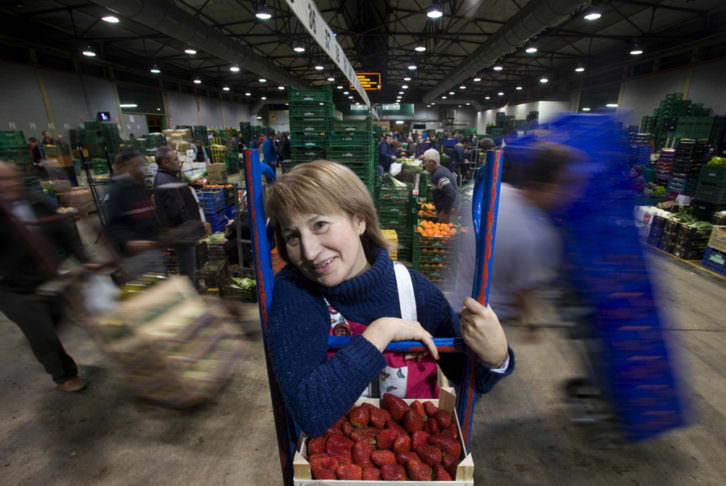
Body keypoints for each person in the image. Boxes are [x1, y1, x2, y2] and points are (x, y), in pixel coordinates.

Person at [264, 161, 513, 437]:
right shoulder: (297, 292)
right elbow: (310, 411)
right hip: (336, 469)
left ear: (359, 220)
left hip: (407, 460)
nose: (309, 252)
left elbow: (471, 378)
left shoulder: (414, 292)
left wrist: (496, 356)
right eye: (292, 236)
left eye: (320, 224)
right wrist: (381, 332)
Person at [449, 143, 580, 325]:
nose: (570, 195)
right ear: (542, 185)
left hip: (458, 308)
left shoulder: (491, 193)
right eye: (564, 186)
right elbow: (524, 296)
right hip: (492, 322)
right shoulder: (536, 234)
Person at [0, 161, 95, 392]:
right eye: (2, 180)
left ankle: (43, 341)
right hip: (12, 287)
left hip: (49, 276)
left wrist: (84, 260)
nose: (8, 184)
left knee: (56, 319)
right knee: (42, 332)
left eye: (11, 178)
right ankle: (64, 374)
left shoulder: (37, 201)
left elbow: (66, 233)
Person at [105, 149, 162, 280]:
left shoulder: (138, 187)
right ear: (123, 166)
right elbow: (114, 227)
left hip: (153, 252)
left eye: (140, 165)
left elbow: (148, 215)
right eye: (135, 165)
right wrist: (128, 243)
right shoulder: (116, 192)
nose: (139, 169)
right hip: (136, 259)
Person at [153, 146, 202, 284]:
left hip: (181, 232)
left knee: (187, 267)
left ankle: (193, 289)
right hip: (183, 233)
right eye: (175, 159)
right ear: (164, 162)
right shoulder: (167, 181)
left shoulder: (166, 177)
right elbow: (179, 210)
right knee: (187, 270)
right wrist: (193, 231)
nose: (178, 162)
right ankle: (191, 296)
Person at [422, 148, 458, 223]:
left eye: (425, 162)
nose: (424, 164)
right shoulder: (437, 172)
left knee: (444, 230)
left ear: (433, 163)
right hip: (445, 208)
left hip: (448, 210)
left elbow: (451, 194)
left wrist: (445, 212)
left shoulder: (439, 174)